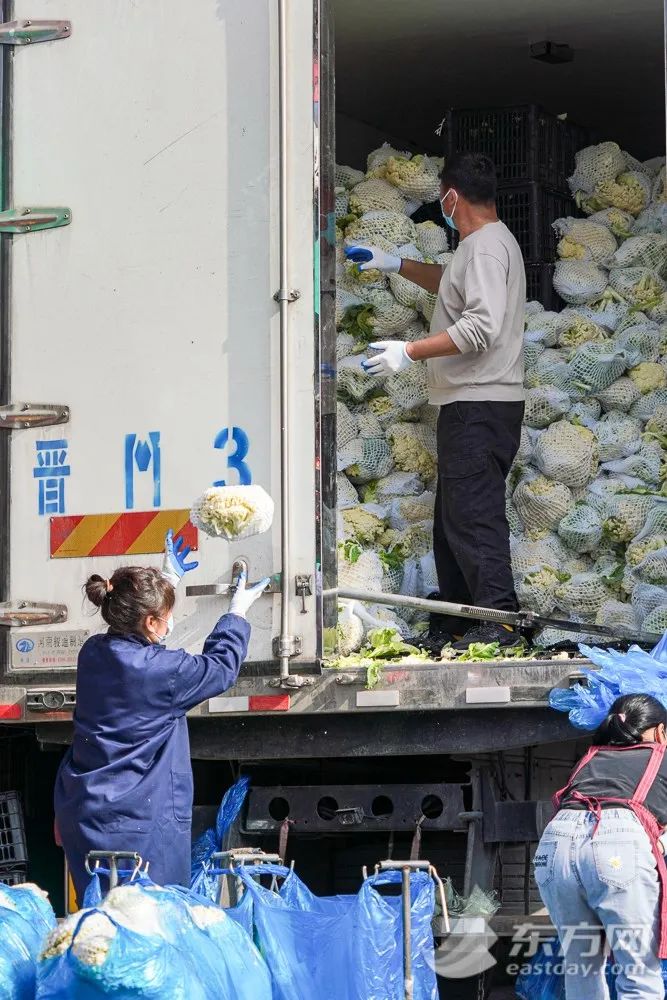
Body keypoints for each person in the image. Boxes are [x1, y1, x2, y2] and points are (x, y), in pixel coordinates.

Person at [346, 153, 525, 650]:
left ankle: (500, 621)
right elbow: (451, 286)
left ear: (451, 196)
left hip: (479, 404)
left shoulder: (486, 249)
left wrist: (409, 351)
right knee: (453, 520)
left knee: (473, 515)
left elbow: (480, 328)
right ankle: (460, 617)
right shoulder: (480, 246)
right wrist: (394, 264)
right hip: (470, 404)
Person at [54, 529, 269, 904]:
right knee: (152, 921)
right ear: (152, 622)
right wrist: (236, 613)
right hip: (136, 822)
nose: (170, 623)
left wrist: (166, 582)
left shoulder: (93, 651)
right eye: (167, 616)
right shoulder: (164, 672)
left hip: (85, 811)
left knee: (100, 919)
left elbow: (141, 649)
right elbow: (220, 669)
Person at [535, 694, 667, 1000]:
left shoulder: (592, 758)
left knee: (582, 966)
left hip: (554, 846)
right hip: (615, 846)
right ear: (661, 731)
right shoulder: (660, 756)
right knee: (638, 974)